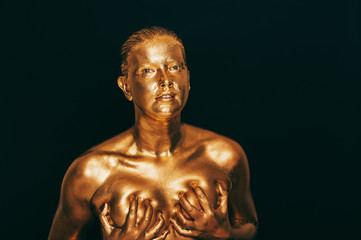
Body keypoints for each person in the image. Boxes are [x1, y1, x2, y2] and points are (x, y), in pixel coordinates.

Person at [48, 26, 258, 240]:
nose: (165, 79)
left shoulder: (225, 156)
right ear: (126, 86)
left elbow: (249, 223)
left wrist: (225, 235)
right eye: (148, 70)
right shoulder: (90, 173)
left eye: (175, 67)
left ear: (188, 78)